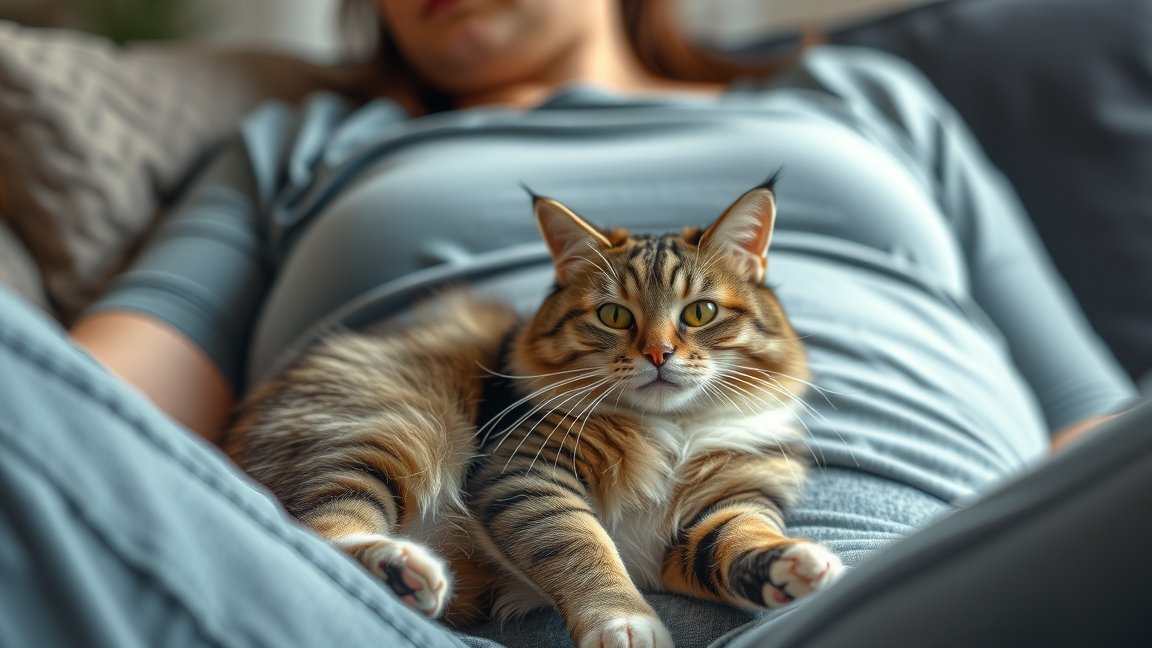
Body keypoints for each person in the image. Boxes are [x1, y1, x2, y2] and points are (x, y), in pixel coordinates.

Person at [2, 0, 1144, 646]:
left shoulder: (865, 100)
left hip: (934, 590)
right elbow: (92, 415)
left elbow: (1091, 428)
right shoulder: (300, 142)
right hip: (418, 608)